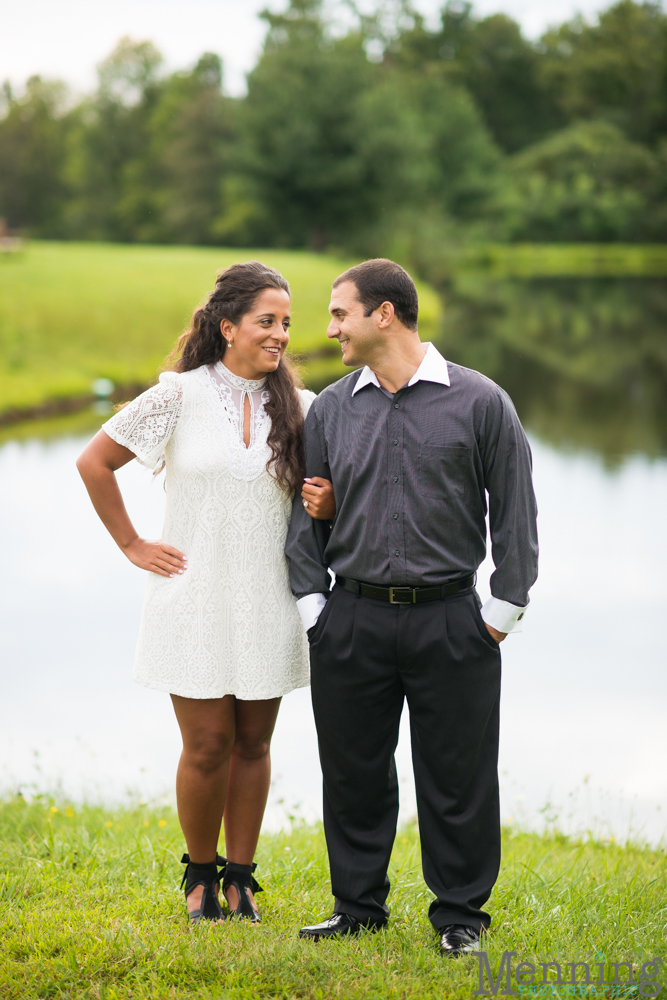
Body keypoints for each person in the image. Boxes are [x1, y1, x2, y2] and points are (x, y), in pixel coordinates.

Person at [286, 258, 538, 955]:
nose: (330, 327)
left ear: (384, 314)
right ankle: (357, 907)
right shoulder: (334, 408)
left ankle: (459, 917)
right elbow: (304, 520)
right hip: (351, 620)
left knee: (457, 776)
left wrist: (499, 613)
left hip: (452, 620)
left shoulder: (481, 402)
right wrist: (316, 611)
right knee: (353, 771)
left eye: (340, 313)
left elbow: (515, 514)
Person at [77, 261, 335, 925]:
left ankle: (242, 881)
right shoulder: (176, 395)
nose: (280, 334)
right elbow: (94, 462)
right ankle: (199, 878)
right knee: (206, 746)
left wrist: (326, 506)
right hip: (190, 598)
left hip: (270, 600)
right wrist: (133, 545)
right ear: (227, 327)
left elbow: (324, 508)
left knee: (253, 744)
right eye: (266, 321)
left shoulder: (304, 410)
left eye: (286, 323)